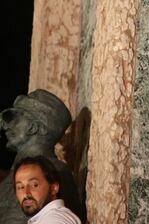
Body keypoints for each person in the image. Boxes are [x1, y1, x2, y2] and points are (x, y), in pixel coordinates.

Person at [0, 91, 86, 224]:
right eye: (20, 187)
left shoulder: (56, 170)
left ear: (34, 127)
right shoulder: (16, 173)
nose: (7, 126)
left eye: (16, 120)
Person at [11, 156, 80, 224]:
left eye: (34, 185)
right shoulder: (49, 217)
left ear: (54, 188)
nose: (26, 194)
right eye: (20, 187)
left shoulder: (54, 219)